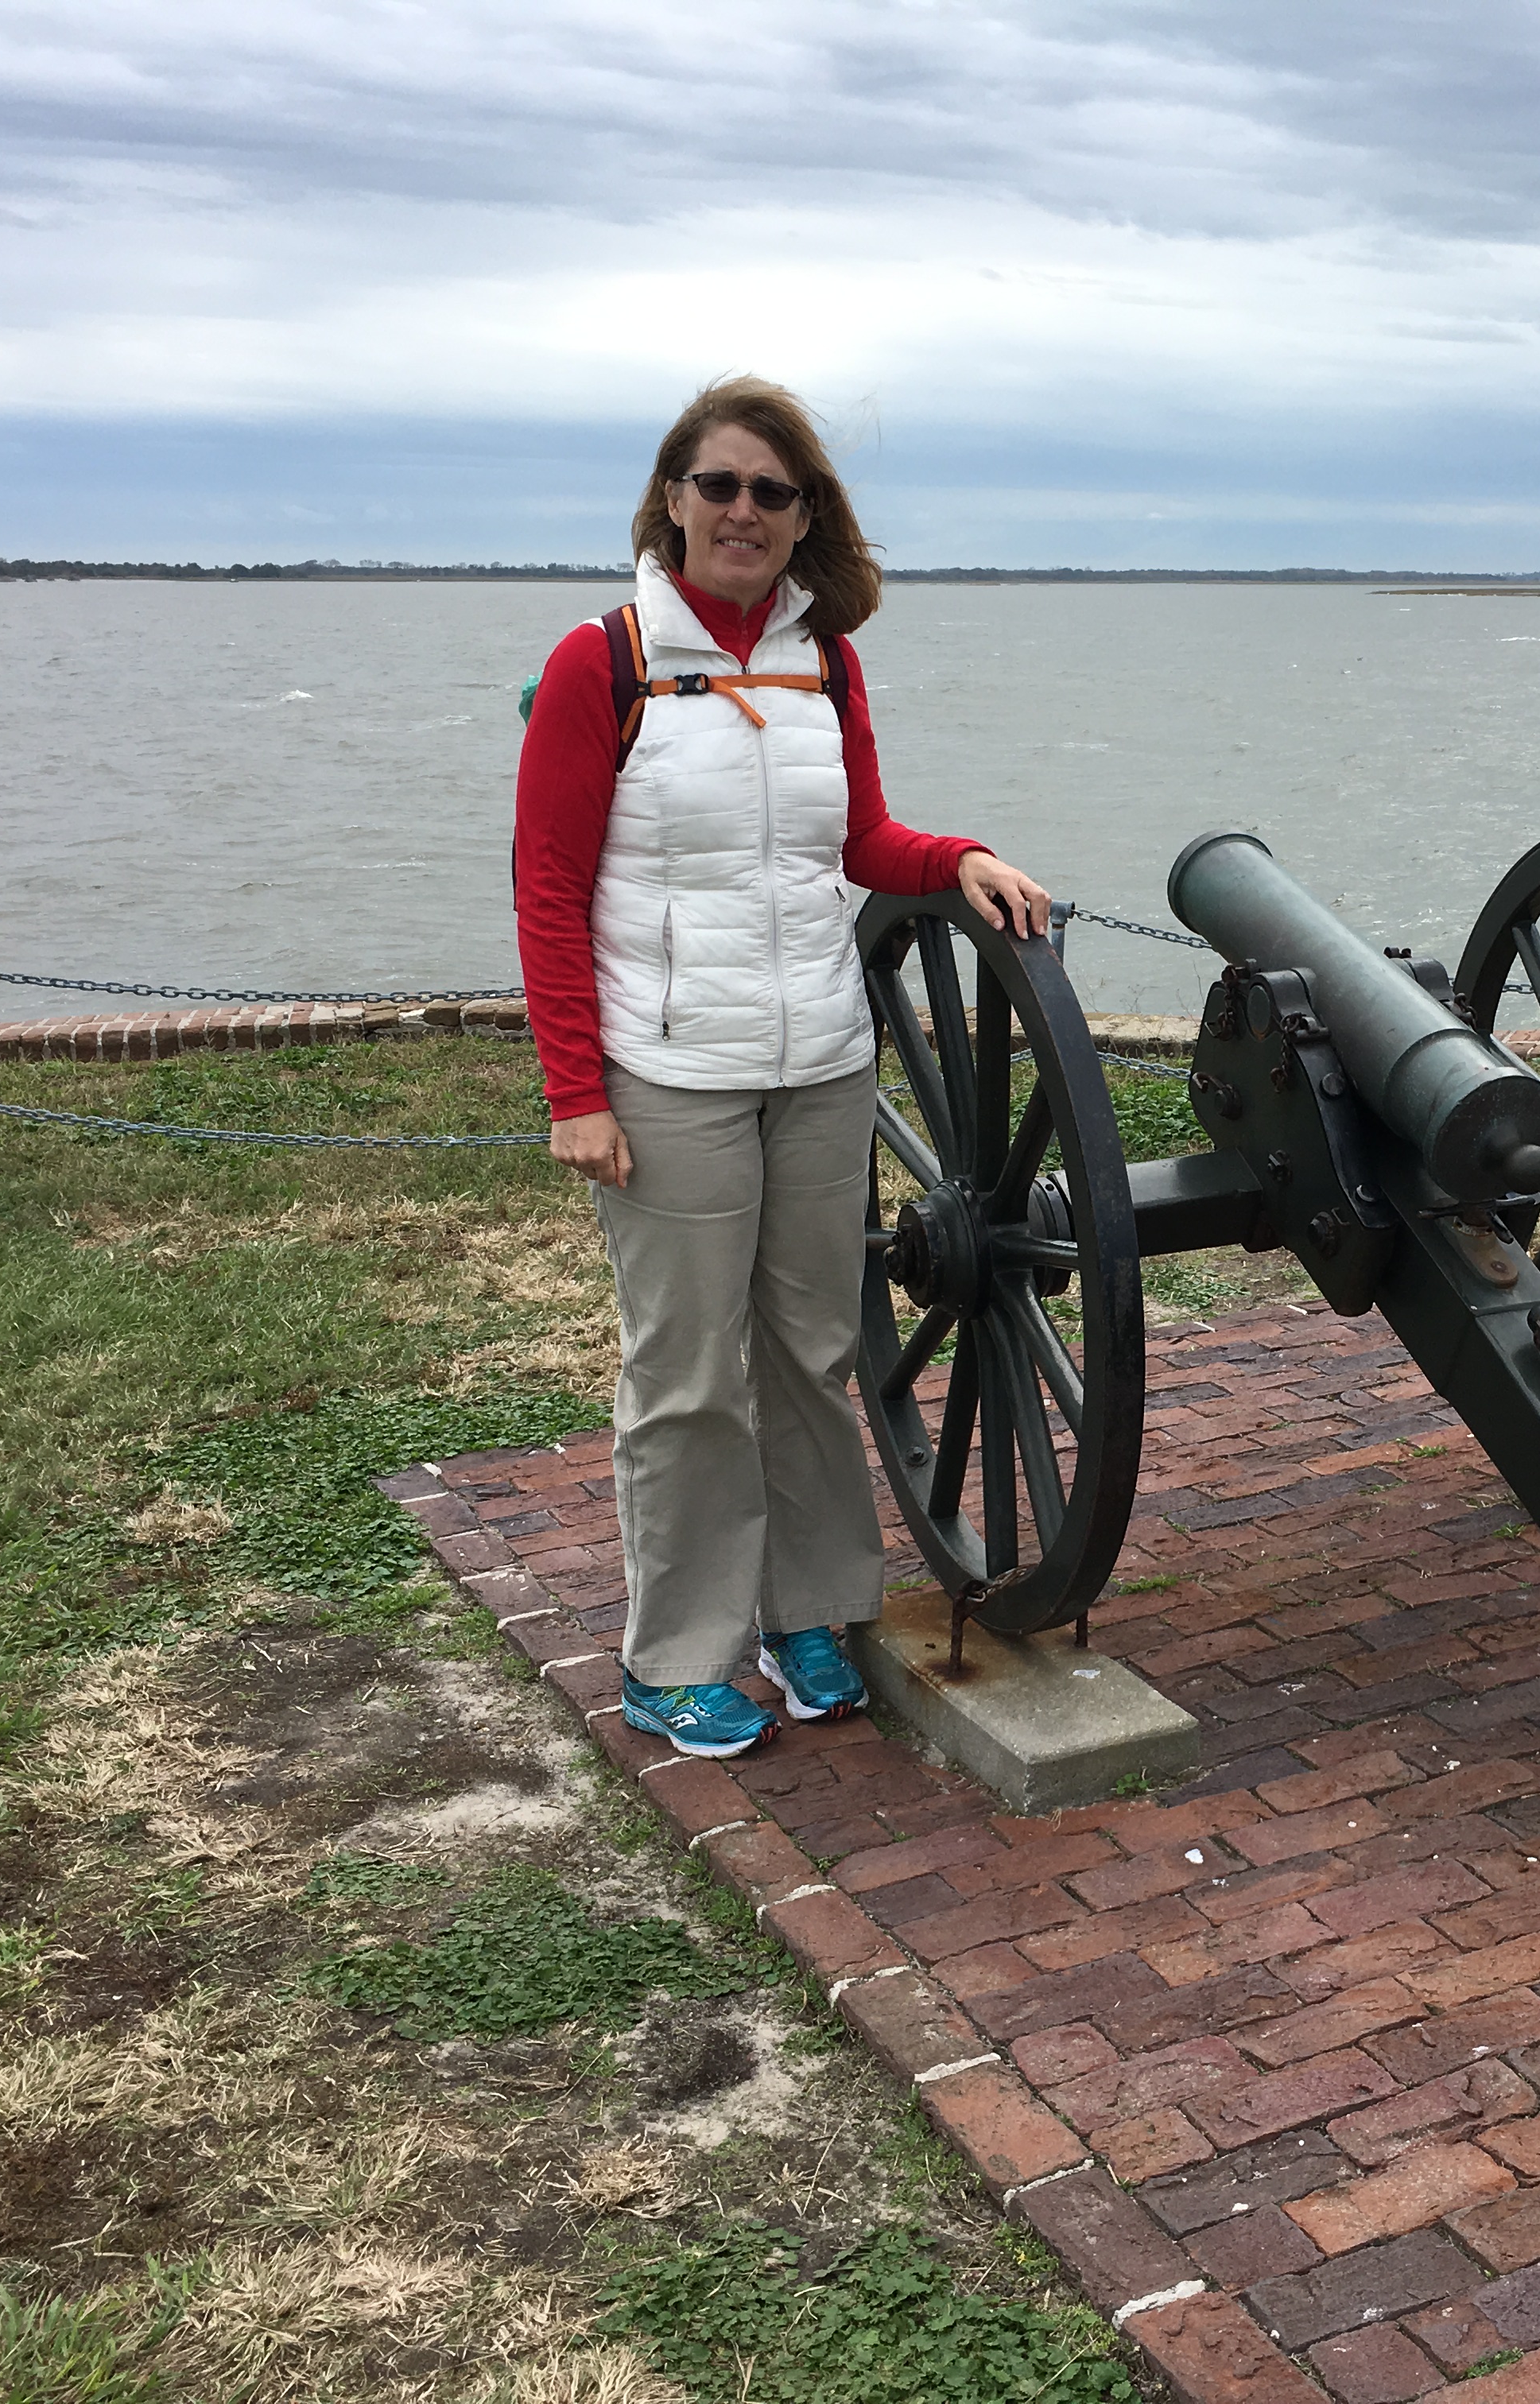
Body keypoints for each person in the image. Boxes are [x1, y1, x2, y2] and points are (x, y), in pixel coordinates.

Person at [513, 374, 1052, 1759]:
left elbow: (859, 839)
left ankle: (808, 1612)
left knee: (813, 1354)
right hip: (671, 1072)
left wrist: (958, 858)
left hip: (819, 1063)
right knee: (688, 1374)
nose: (743, 510)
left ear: (806, 515)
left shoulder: (827, 663)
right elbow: (549, 887)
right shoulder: (603, 662)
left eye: (773, 490)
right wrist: (577, 1092)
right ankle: (676, 1656)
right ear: (673, 500)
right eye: (720, 484)